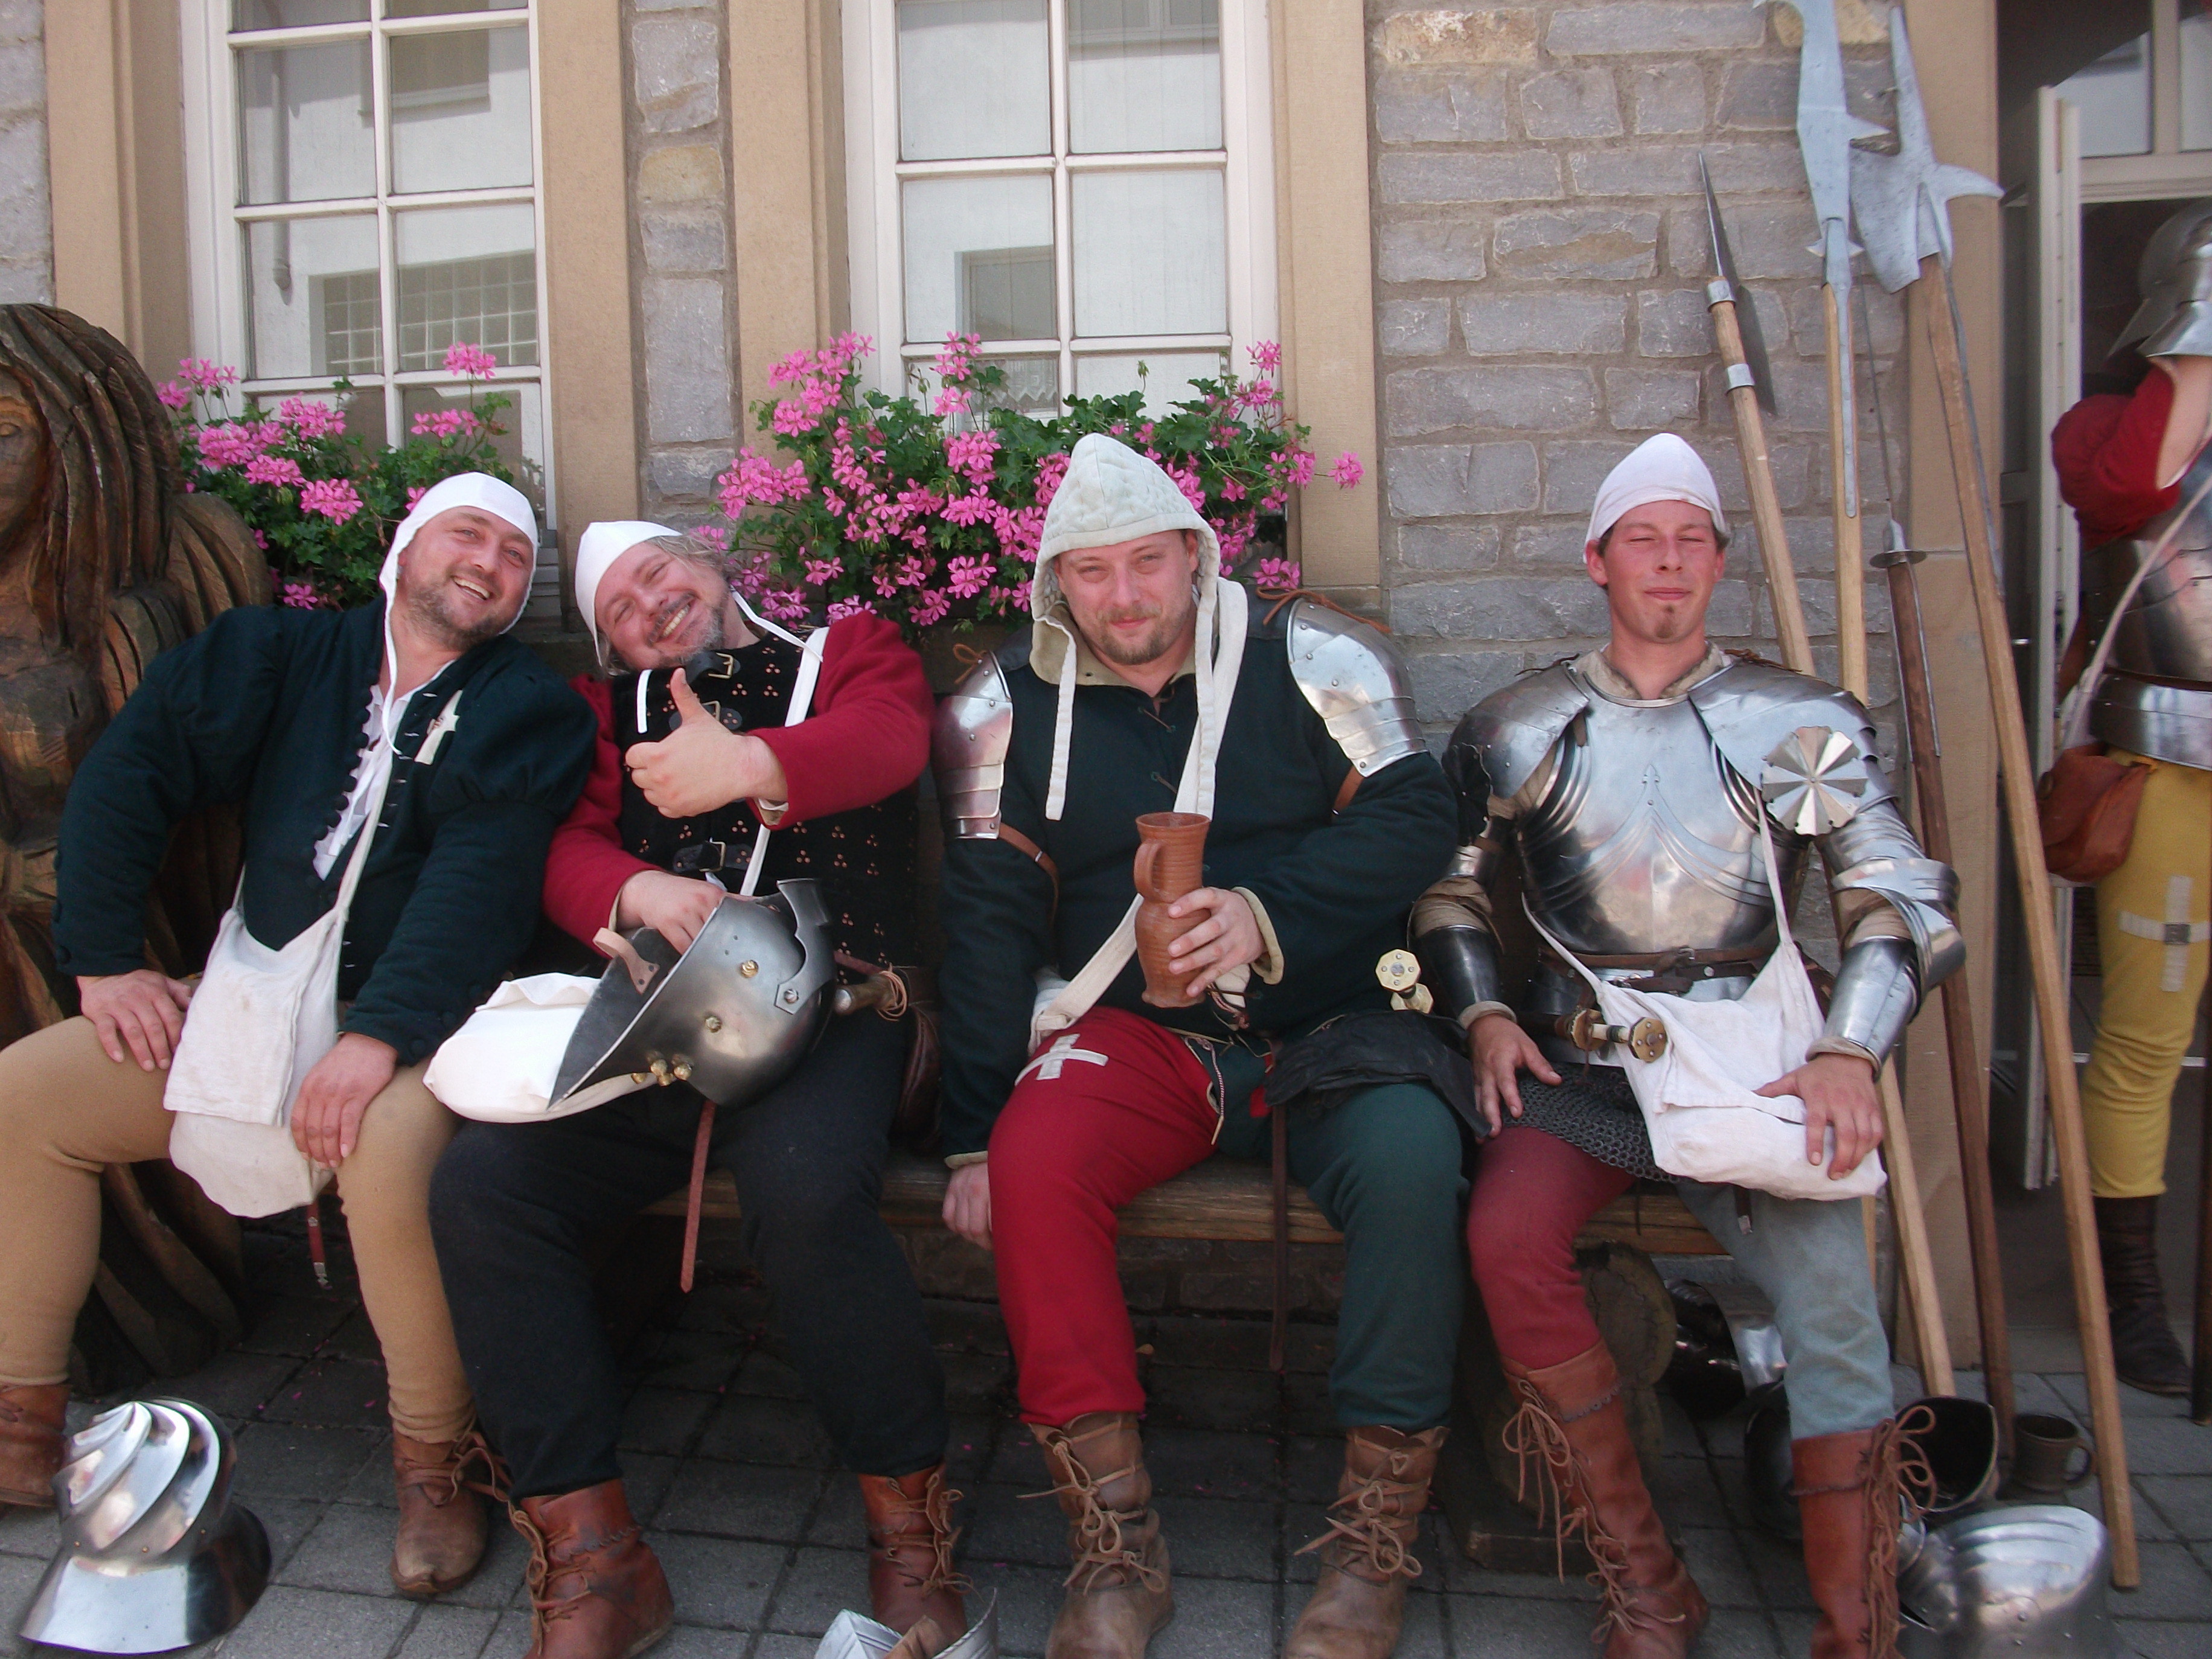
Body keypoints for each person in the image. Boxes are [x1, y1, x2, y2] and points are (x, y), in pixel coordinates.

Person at [1413, 434, 1962, 1659]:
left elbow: (1899, 900)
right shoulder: (1519, 726)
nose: (1666, 562)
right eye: (1642, 541)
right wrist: (1485, 1013)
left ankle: (1855, 1629)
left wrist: (1849, 1051)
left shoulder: (1797, 724)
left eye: (1689, 541)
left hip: (1754, 1062)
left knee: (1833, 1308)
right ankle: (1648, 1582)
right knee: (1506, 1239)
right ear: (1596, 561)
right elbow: (1450, 895)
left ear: (1717, 561)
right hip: (1582, 1065)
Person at [0, 473, 596, 1603]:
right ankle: (21, 1423)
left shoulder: (530, 709)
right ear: (404, 549)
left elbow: (476, 889)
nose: (488, 563)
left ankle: (436, 1460)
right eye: (467, 533)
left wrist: (375, 1039)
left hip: (423, 1029)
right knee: (25, 1099)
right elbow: (133, 770)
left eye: (517, 557)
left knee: (387, 1151)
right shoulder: (276, 656)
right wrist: (104, 959)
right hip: (247, 998)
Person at [935, 434, 1464, 1659]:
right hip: (1139, 1036)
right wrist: (968, 1134)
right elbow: (985, 923)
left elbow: (1416, 815)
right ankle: (1114, 1551)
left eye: (1146, 563)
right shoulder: (1000, 708)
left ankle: (1373, 1547)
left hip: (1334, 1028)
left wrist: (1265, 913)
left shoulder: (1312, 655)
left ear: (1194, 555)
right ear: (1055, 584)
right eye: (1091, 572)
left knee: (1411, 1162)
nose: (1123, 596)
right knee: (1032, 1160)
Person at [429, 524, 959, 1659]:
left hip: (836, 1009)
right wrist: (637, 889)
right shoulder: (603, 716)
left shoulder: (847, 651)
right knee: (485, 1186)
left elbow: (888, 738)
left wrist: (753, 766)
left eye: (660, 575)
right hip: (664, 1019)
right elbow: (564, 849)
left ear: (712, 568)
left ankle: (911, 1533)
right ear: (613, 649)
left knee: (805, 1191)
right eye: (620, 611)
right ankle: (597, 1558)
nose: (651, 607)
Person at [2050, 197, 2212, 1397]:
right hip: (2167, 761)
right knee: (2146, 1041)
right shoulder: (2100, 424)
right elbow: (2130, 490)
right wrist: (2194, 355)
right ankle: (2133, 1304)